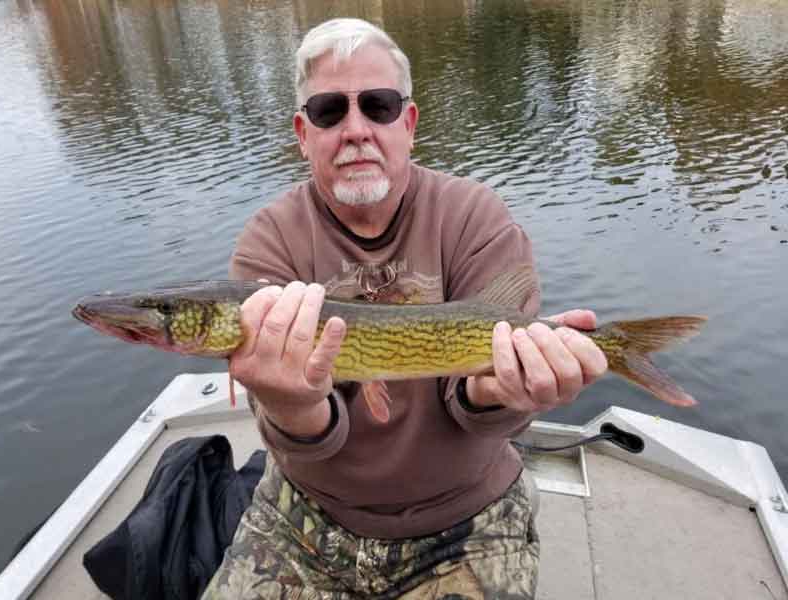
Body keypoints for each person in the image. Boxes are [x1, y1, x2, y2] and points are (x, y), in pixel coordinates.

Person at [202, 17, 607, 600]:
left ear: (409, 123)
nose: (356, 130)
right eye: (328, 112)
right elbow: (305, 432)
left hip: (467, 515)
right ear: (302, 133)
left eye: (379, 105)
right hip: (308, 514)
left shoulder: (474, 218)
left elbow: (478, 407)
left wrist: (500, 390)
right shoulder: (272, 241)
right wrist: (292, 404)